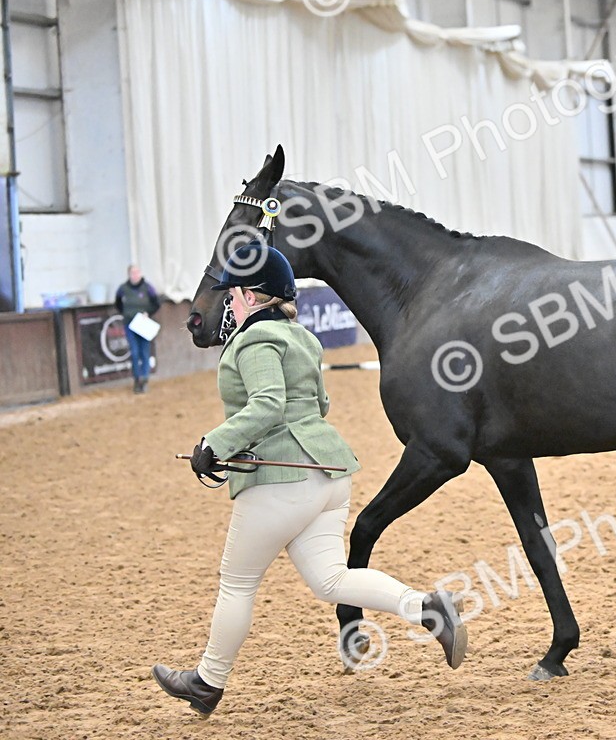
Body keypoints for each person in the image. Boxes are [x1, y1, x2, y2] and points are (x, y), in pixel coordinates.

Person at [152, 242, 466, 717]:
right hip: (328, 475)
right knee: (332, 579)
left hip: (283, 481)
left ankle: (207, 681)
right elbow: (318, 408)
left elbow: (267, 405)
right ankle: (426, 607)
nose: (229, 303)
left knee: (236, 584)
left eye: (234, 294)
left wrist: (213, 445)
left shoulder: (256, 340)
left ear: (254, 297)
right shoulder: (303, 338)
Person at [114, 264, 161, 394]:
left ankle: (145, 379)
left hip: (143, 324)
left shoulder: (148, 288)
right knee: (134, 352)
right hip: (130, 323)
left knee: (144, 352)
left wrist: (148, 313)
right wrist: (126, 313)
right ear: (129, 274)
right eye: (132, 273)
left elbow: (156, 303)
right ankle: (137, 379)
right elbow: (118, 303)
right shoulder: (123, 289)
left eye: (137, 272)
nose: (135, 275)